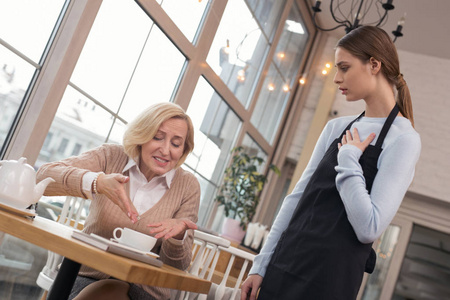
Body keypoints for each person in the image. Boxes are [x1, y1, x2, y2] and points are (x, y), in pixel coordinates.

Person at [241, 26, 421, 300]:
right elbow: (296, 199)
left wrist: (348, 158)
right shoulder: (335, 128)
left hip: (329, 283)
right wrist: (261, 264)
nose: (337, 78)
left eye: (344, 67)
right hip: (284, 264)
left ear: (374, 64)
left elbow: (368, 227)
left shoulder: (404, 139)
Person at [37, 102, 200, 300]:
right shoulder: (111, 156)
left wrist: (178, 235)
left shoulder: (188, 185)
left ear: (183, 150)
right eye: (157, 137)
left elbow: (178, 267)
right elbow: (43, 175)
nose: (166, 150)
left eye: (176, 144)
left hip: (145, 292)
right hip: (87, 275)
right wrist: (97, 182)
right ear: (142, 135)